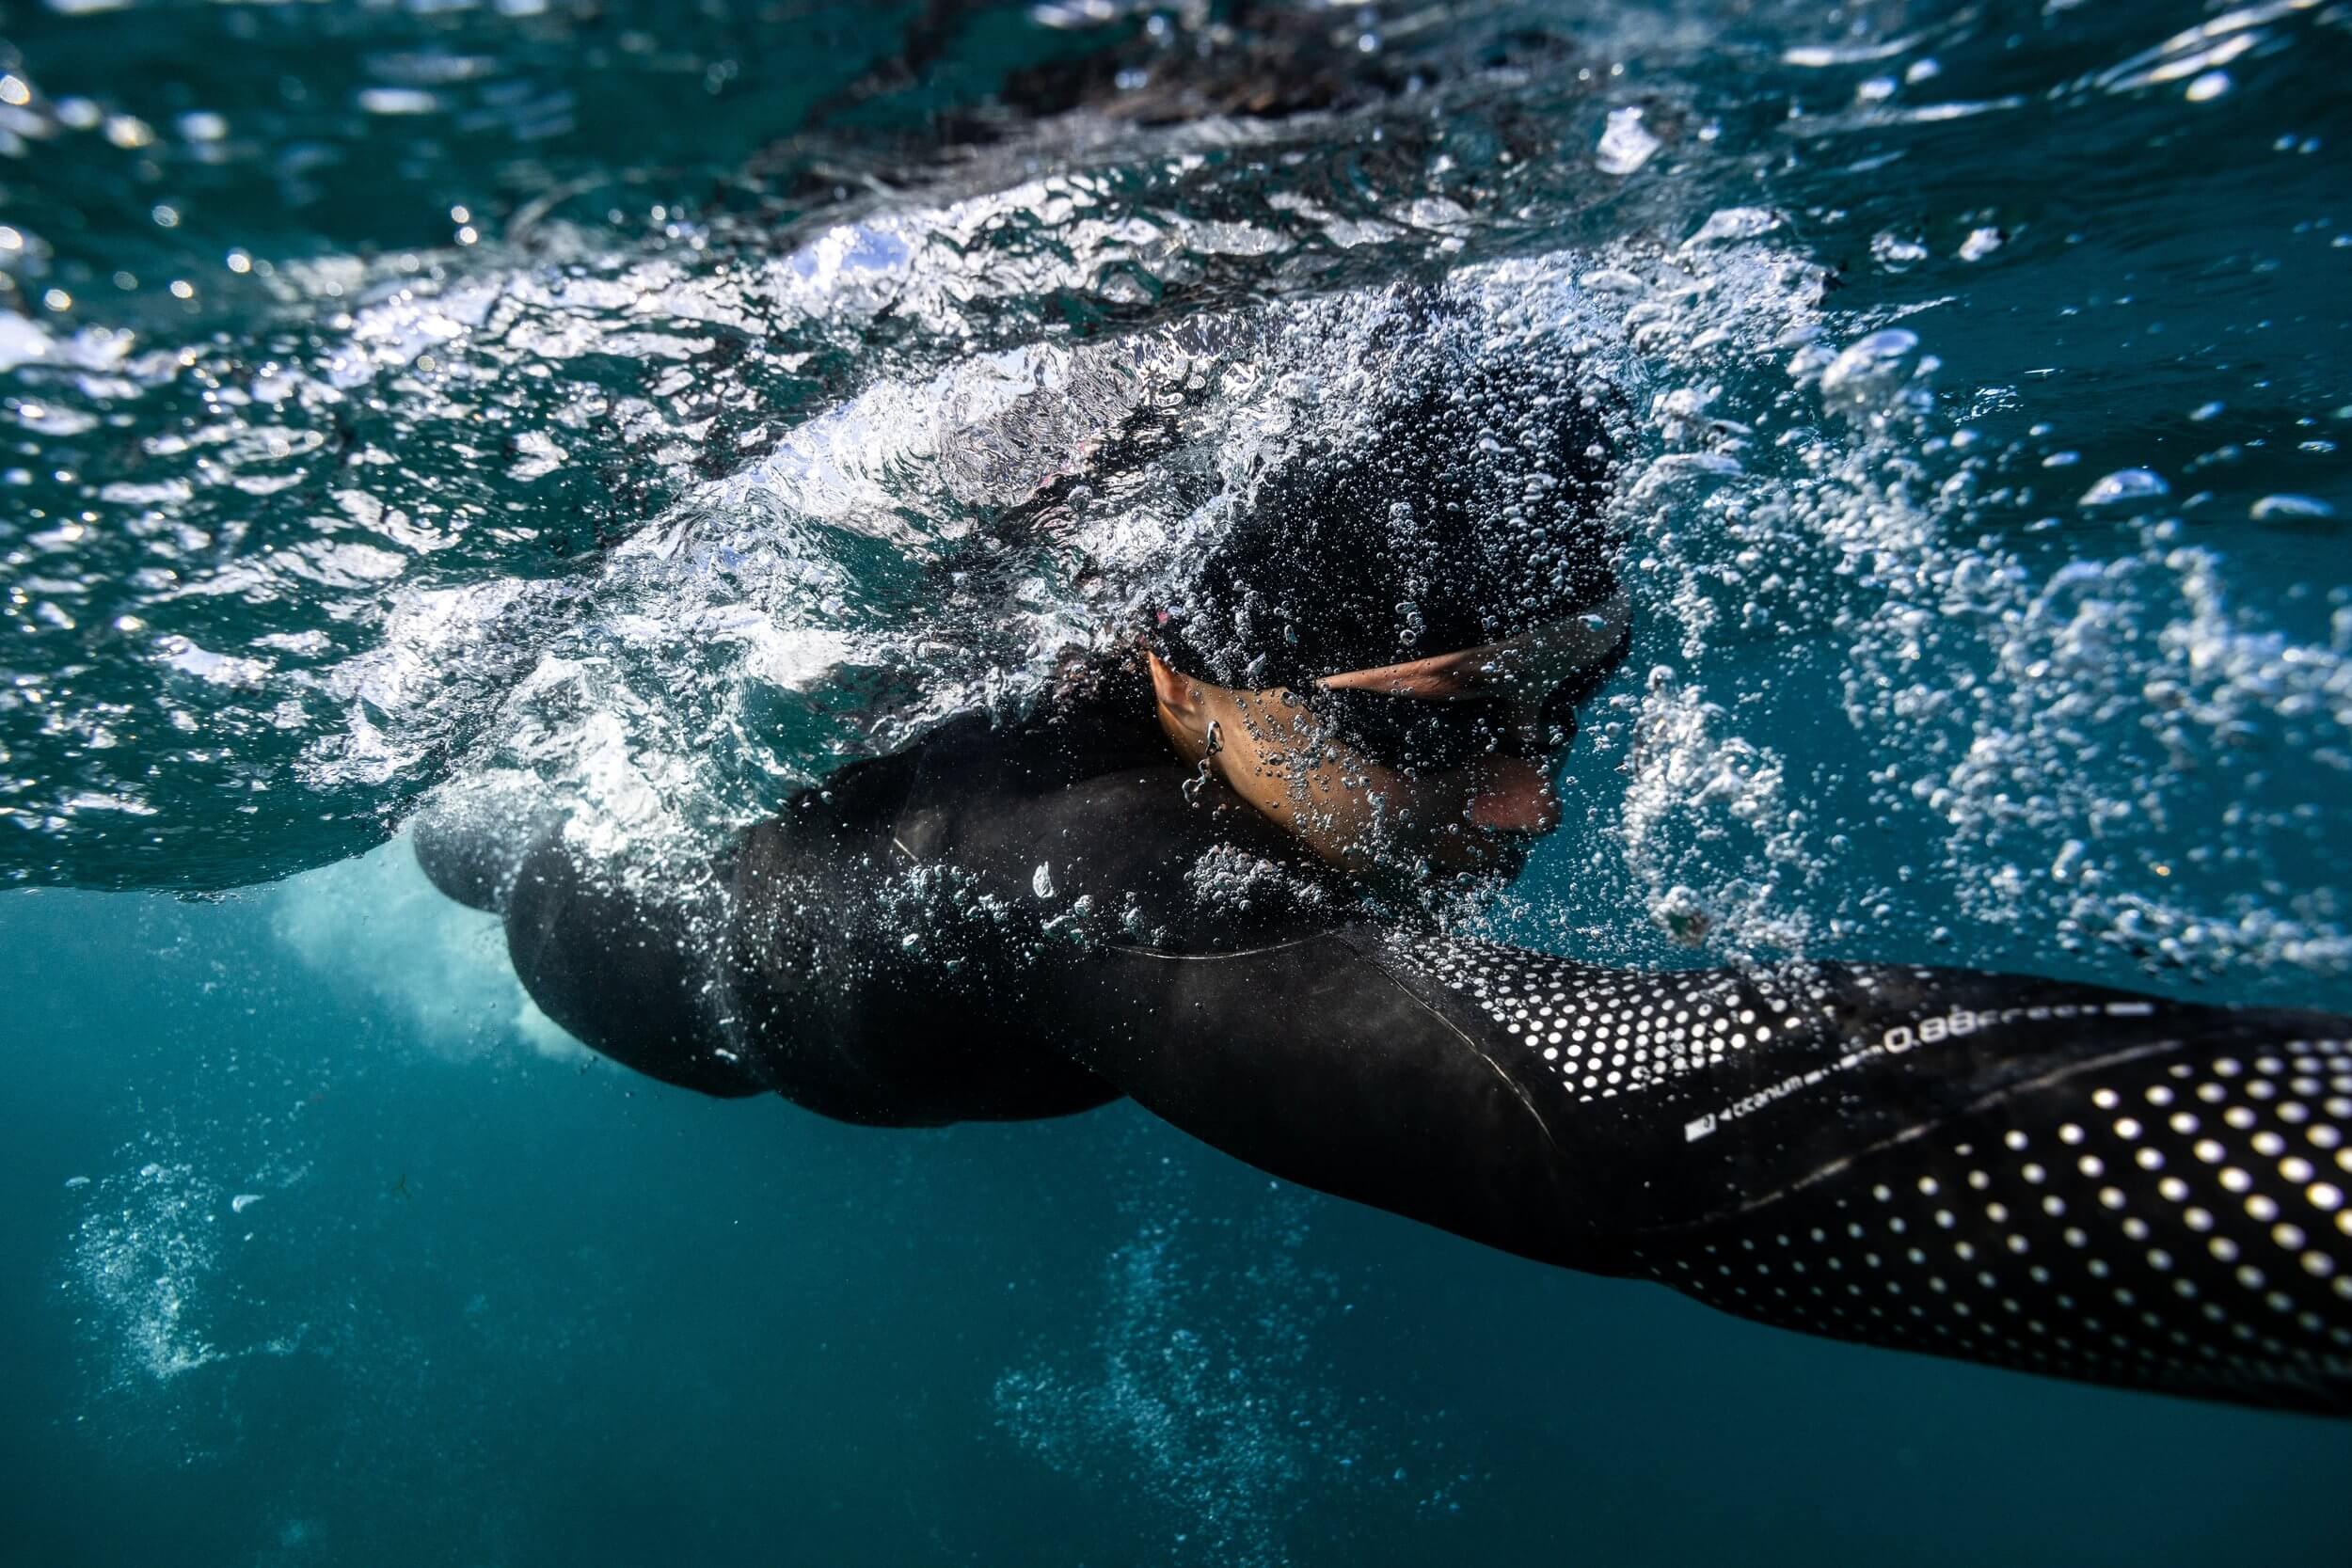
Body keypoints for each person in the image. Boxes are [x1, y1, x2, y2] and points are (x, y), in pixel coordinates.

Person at [415, 321, 2352, 1418]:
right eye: (1433, 730)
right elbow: (1627, 1137)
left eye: (1565, 711)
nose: (1528, 811)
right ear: (1182, 682)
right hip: (610, 936)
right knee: (473, 823)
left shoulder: (1206, 692)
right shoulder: (1047, 862)